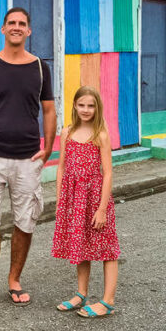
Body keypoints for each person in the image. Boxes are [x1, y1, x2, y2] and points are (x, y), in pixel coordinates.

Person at [0, 7, 56, 311]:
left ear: (29, 31)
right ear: (3, 29)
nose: (16, 27)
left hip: (28, 158)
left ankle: (14, 280)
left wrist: (49, 147)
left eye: (22, 24)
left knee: (25, 222)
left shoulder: (41, 68)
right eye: (11, 23)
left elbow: (49, 111)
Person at [52, 86, 120, 318]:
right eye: (81, 105)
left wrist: (102, 209)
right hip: (75, 199)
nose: (86, 110)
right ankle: (81, 294)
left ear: (97, 107)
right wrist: (61, 199)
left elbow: (108, 173)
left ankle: (107, 301)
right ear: (74, 105)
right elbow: (61, 167)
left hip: (96, 199)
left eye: (91, 105)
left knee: (107, 247)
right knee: (80, 245)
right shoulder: (67, 133)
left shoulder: (100, 134)